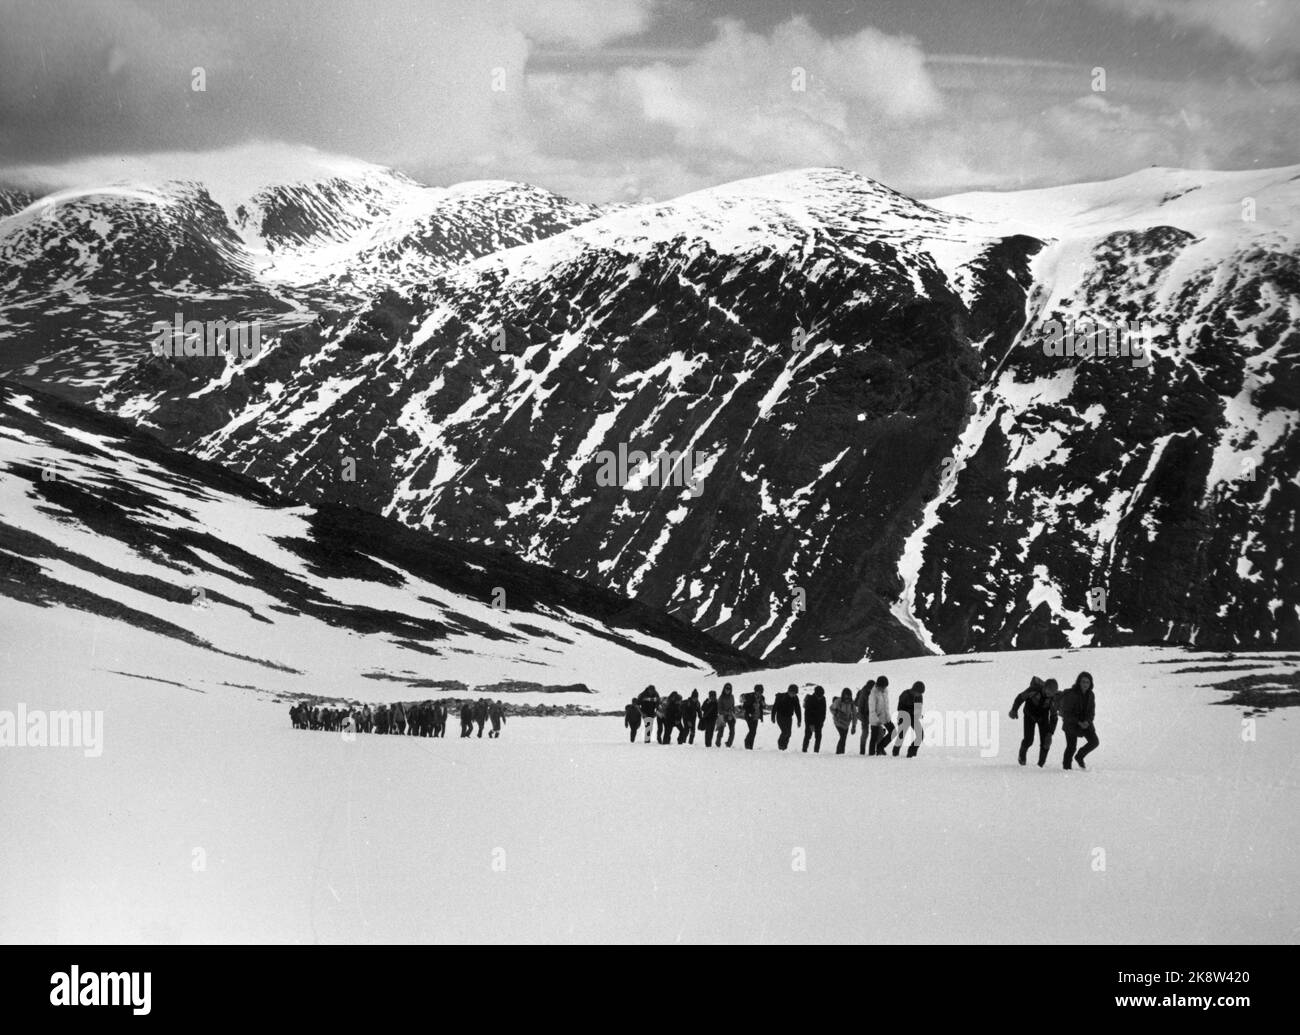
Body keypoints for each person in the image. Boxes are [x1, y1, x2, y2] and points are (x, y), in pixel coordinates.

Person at [1009, 676, 1059, 767]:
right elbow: (1020, 698)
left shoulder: (1053, 699)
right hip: (1029, 716)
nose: (1049, 694)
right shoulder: (1034, 690)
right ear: (1044, 687)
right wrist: (1014, 710)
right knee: (1029, 740)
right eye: (1048, 691)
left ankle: (1040, 764)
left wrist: (1050, 733)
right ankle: (1022, 754)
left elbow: (1054, 717)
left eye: (1052, 693)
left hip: (1043, 719)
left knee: (1046, 742)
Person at [1057, 672, 1099, 770]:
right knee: (1071, 747)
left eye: (1087, 682)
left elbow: (1091, 712)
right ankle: (1066, 768)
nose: (1085, 684)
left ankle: (1079, 756)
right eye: (1083, 682)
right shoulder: (1072, 694)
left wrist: (1087, 722)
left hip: (1085, 723)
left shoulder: (1091, 695)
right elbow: (1067, 714)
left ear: (1090, 684)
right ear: (1079, 682)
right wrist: (1078, 722)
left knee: (1094, 742)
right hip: (1071, 724)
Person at [892, 681, 925, 758]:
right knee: (901, 736)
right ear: (914, 690)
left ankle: (911, 753)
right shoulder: (905, 694)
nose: (920, 695)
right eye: (919, 693)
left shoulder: (919, 696)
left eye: (921, 693)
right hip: (904, 716)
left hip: (913, 717)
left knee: (920, 735)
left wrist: (918, 714)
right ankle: (895, 753)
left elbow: (918, 708)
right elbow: (900, 709)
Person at [868, 678, 894, 756]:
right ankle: (871, 754)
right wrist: (876, 720)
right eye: (882, 687)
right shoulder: (873, 694)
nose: (884, 688)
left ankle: (880, 747)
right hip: (875, 718)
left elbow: (886, 705)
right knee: (874, 737)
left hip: (885, 717)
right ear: (878, 685)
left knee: (893, 732)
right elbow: (872, 710)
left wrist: (888, 716)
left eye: (885, 687)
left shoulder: (885, 691)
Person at [740, 684, 767, 749]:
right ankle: (747, 742)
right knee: (752, 731)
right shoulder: (750, 696)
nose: (760, 693)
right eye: (759, 691)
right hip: (749, 715)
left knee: (754, 732)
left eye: (761, 692)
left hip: (756, 716)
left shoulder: (762, 698)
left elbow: (763, 706)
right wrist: (750, 711)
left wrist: (763, 704)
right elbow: (745, 706)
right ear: (755, 691)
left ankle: (750, 746)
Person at [830, 688, 855, 754]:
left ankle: (841, 752)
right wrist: (836, 713)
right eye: (846, 696)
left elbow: (854, 715)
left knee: (844, 738)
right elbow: (831, 708)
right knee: (843, 736)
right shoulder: (838, 701)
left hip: (846, 723)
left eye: (849, 696)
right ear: (843, 695)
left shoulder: (852, 703)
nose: (847, 697)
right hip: (838, 722)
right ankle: (838, 752)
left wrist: (854, 726)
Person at [854, 679, 876, 754]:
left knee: (877, 732)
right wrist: (864, 718)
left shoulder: (873, 692)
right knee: (865, 732)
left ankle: (878, 749)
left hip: (872, 715)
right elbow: (860, 708)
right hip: (864, 715)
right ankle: (862, 750)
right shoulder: (863, 693)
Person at [803, 686, 827, 752]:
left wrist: (822, 721)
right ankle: (804, 750)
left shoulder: (823, 699)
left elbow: (824, 711)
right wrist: (810, 724)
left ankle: (816, 751)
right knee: (808, 736)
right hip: (809, 721)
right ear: (816, 693)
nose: (821, 696)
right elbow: (807, 713)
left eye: (822, 695)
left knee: (818, 737)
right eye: (820, 695)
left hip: (819, 722)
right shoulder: (810, 699)